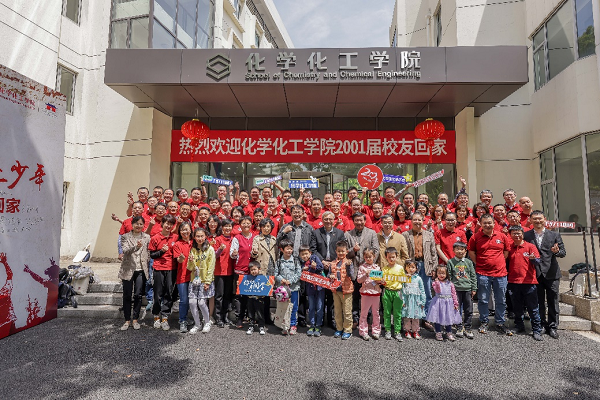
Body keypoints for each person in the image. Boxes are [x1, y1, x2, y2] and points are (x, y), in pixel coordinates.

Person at [523, 210, 566, 339]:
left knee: (553, 301)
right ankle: (541, 324)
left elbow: (563, 253)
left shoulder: (554, 235)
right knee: (538, 301)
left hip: (552, 273)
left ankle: (553, 327)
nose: (538, 221)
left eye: (540, 218)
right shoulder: (526, 235)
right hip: (535, 273)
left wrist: (556, 252)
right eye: (535, 219)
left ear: (544, 219)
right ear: (530, 220)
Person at [468, 214, 512, 335]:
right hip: (483, 273)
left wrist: (498, 262)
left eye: (489, 223)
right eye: (485, 223)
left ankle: (500, 322)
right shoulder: (475, 237)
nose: (487, 225)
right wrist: (479, 263)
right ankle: (484, 321)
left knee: (501, 299)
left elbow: (506, 252)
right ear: (481, 224)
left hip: (500, 273)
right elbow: (471, 251)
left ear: (494, 223)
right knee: (483, 299)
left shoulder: (502, 236)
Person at [309, 211, 345, 329]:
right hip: (320, 267)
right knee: (320, 295)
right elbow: (313, 249)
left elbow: (342, 249)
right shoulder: (316, 233)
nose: (328, 221)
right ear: (322, 220)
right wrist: (322, 262)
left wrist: (333, 263)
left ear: (334, 220)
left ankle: (331, 320)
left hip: (334, 267)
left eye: (330, 219)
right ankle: (319, 320)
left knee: (332, 295)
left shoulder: (340, 233)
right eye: (326, 219)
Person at [507, 226, 543, 341]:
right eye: (514, 233)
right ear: (510, 235)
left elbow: (537, 261)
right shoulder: (509, 247)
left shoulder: (530, 246)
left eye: (519, 233)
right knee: (517, 307)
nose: (517, 235)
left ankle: (536, 330)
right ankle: (519, 326)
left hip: (529, 282)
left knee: (533, 307)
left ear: (523, 234)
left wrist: (533, 259)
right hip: (513, 281)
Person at [402, 212, 437, 332]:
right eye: (415, 220)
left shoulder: (429, 235)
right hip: (411, 267)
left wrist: (434, 268)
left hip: (425, 265)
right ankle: (408, 319)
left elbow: (433, 253)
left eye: (419, 220)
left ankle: (426, 319)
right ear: (411, 221)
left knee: (426, 293)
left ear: (423, 221)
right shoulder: (405, 234)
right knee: (409, 292)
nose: (417, 222)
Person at [345, 212, 379, 327]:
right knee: (355, 296)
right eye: (357, 220)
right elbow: (345, 253)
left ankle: (367, 319)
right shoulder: (348, 234)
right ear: (353, 221)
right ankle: (355, 319)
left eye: (361, 220)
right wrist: (353, 250)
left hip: (368, 270)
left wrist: (368, 264)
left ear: (364, 221)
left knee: (368, 295)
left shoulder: (372, 233)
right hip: (354, 270)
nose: (359, 222)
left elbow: (376, 250)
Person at [117, 216, 151, 331]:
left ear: (144, 225)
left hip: (141, 270)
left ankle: (135, 319)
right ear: (132, 225)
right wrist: (136, 246)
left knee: (138, 295)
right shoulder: (125, 237)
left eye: (141, 224)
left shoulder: (147, 237)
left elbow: (148, 252)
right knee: (127, 295)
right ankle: (127, 320)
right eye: (136, 223)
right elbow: (125, 251)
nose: (138, 226)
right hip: (128, 269)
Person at [148, 214, 178, 331]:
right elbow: (152, 255)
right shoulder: (155, 238)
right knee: (157, 294)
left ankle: (165, 318)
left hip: (171, 268)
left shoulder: (175, 237)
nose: (168, 226)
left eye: (171, 224)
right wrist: (161, 251)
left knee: (168, 293)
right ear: (162, 223)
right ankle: (156, 316)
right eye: (167, 223)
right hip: (158, 268)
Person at [187, 227, 216, 334]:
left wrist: (208, 282)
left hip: (205, 280)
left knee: (202, 302)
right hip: (194, 280)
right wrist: (191, 261)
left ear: (205, 236)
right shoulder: (193, 249)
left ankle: (207, 322)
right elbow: (190, 267)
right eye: (197, 236)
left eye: (202, 236)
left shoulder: (210, 249)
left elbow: (211, 267)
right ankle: (197, 324)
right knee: (192, 302)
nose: (200, 238)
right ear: (194, 237)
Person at [446, 242, 477, 339]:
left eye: (462, 249)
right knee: (456, 309)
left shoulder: (469, 262)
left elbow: (473, 276)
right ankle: (459, 327)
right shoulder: (450, 262)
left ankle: (467, 327)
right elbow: (449, 276)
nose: (460, 251)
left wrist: (474, 288)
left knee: (469, 310)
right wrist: (449, 289)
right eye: (457, 249)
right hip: (456, 290)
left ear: (465, 251)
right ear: (453, 250)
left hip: (467, 289)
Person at [251, 218, 278, 324]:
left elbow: (277, 254)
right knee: (260, 295)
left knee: (268, 295)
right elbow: (254, 253)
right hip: (262, 269)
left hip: (271, 269)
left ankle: (267, 317)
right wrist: (254, 252)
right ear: (260, 227)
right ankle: (259, 317)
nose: (266, 228)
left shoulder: (274, 239)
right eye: (264, 226)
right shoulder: (257, 238)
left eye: (268, 226)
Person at [230, 216, 256, 328]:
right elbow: (232, 253)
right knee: (239, 295)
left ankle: (251, 317)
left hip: (252, 271)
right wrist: (234, 254)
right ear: (240, 225)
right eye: (243, 223)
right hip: (240, 270)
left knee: (250, 295)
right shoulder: (237, 238)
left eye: (248, 223)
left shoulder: (255, 237)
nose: (246, 225)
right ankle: (239, 317)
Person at [426, 265, 462, 341]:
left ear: (446, 274)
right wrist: (437, 282)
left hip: (448, 303)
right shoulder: (435, 283)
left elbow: (454, 294)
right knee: (438, 317)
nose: (441, 275)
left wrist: (455, 303)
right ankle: (438, 332)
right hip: (438, 302)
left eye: (443, 273)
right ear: (436, 274)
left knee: (449, 317)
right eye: (439, 273)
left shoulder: (450, 283)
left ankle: (449, 332)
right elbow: (437, 290)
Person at [274, 239, 302, 335]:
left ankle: (293, 325)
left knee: (293, 307)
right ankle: (284, 325)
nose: (289, 251)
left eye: (291, 249)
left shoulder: (295, 260)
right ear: (282, 250)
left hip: (293, 288)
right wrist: (281, 279)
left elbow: (299, 273)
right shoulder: (279, 261)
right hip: (282, 290)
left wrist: (291, 281)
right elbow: (276, 274)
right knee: (283, 308)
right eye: (287, 249)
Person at [329, 240, 355, 340]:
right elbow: (329, 274)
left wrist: (348, 266)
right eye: (339, 251)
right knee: (337, 311)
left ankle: (347, 330)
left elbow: (352, 276)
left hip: (347, 291)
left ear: (347, 251)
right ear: (336, 251)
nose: (341, 253)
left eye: (343, 251)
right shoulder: (333, 263)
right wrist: (330, 275)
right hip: (336, 291)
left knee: (347, 311)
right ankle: (339, 328)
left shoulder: (349, 262)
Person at [356, 247, 382, 341]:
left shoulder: (377, 268)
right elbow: (359, 280)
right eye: (366, 257)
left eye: (370, 257)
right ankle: (363, 331)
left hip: (375, 293)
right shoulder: (362, 268)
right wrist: (365, 275)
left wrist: (379, 280)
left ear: (374, 256)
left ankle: (376, 331)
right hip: (366, 293)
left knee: (376, 313)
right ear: (364, 257)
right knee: (364, 313)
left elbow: (380, 281)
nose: (368, 259)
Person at [381, 247, 407, 341]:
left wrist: (407, 277)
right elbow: (382, 281)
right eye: (389, 257)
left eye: (393, 257)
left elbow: (404, 280)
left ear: (396, 257)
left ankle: (397, 331)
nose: (391, 259)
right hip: (387, 291)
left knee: (397, 313)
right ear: (386, 257)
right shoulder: (384, 269)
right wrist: (382, 281)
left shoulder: (400, 268)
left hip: (397, 292)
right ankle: (387, 330)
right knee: (387, 312)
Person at [299, 245, 325, 337]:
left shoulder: (314, 258)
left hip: (319, 287)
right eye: (302, 254)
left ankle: (318, 325)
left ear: (310, 253)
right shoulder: (303, 264)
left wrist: (313, 266)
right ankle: (312, 324)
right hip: (310, 288)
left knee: (319, 307)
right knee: (311, 307)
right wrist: (305, 268)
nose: (305, 256)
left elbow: (321, 267)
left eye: (306, 253)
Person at [172, 221, 193, 333]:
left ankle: (188, 318)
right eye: (183, 230)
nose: (185, 231)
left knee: (192, 300)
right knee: (184, 300)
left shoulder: (195, 242)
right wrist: (181, 258)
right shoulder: (177, 244)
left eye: (187, 229)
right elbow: (179, 260)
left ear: (191, 230)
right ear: (179, 232)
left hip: (194, 276)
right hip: (183, 276)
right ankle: (182, 320)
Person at [213, 219, 234, 328]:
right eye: (225, 226)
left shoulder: (234, 239)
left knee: (227, 295)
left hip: (230, 271)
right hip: (219, 271)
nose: (227, 228)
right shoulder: (218, 239)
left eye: (229, 226)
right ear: (222, 228)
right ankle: (218, 317)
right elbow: (214, 256)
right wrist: (220, 249)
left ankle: (225, 316)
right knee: (219, 296)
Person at [401, 260, 426, 339]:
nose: (411, 269)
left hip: (416, 301)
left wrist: (423, 301)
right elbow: (402, 290)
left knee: (416, 317)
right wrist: (402, 300)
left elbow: (422, 290)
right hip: (407, 300)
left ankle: (415, 331)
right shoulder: (404, 278)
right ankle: (407, 330)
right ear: (405, 268)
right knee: (407, 316)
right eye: (409, 267)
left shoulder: (418, 279)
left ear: (416, 268)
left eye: (413, 267)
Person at [245, 261, 267, 335]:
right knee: (250, 313)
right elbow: (243, 286)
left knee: (260, 313)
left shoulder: (263, 278)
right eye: (251, 270)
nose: (253, 271)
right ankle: (251, 326)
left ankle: (261, 326)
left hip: (259, 298)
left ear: (259, 269)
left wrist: (271, 283)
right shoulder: (247, 278)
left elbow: (267, 285)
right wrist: (239, 283)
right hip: (250, 298)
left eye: (255, 269)